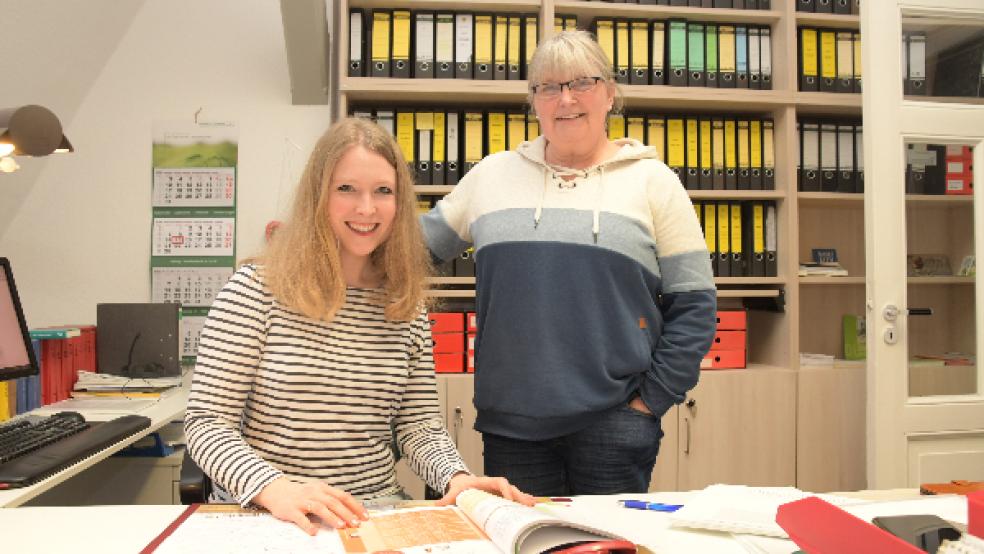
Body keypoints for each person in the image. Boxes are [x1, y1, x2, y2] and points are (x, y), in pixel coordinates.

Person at [185, 117, 534, 536]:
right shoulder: (256, 291)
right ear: (318, 195)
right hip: (276, 519)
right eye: (346, 189)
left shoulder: (405, 304)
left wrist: (456, 479)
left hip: (373, 517)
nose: (366, 208)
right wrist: (275, 488)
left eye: (383, 191)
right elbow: (207, 423)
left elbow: (417, 424)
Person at [420, 30, 717, 496]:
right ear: (534, 102)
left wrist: (651, 401)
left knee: (604, 547)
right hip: (512, 427)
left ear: (610, 93)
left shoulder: (654, 183)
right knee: (523, 543)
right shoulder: (491, 176)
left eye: (583, 83)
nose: (566, 99)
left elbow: (695, 304)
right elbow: (411, 252)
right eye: (549, 87)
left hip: (616, 422)